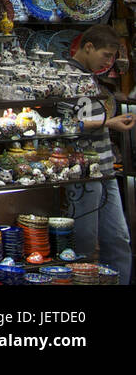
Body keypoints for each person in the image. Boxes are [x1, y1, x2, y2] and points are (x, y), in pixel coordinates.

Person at [69, 24, 134, 283]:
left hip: (105, 168)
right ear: (88, 47)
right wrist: (110, 123)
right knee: (84, 241)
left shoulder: (90, 77)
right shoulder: (68, 76)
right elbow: (68, 124)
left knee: (118, 238)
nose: (108, 62)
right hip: (84, 171)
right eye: (106, 55)